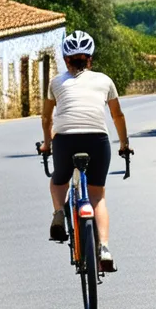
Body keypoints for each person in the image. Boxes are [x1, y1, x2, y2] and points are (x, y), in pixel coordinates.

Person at [40, 30, 130, 272]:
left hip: (65, 140)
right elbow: (117, 115)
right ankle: (105, 248)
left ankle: (59, 212)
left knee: (58, 182)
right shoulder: (105, 80)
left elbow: (47, 118)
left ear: (66, 59)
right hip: (97, 139)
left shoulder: (56, 83)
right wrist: (124, 144)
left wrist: (47, 144)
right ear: (90, 59)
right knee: (97, 195)